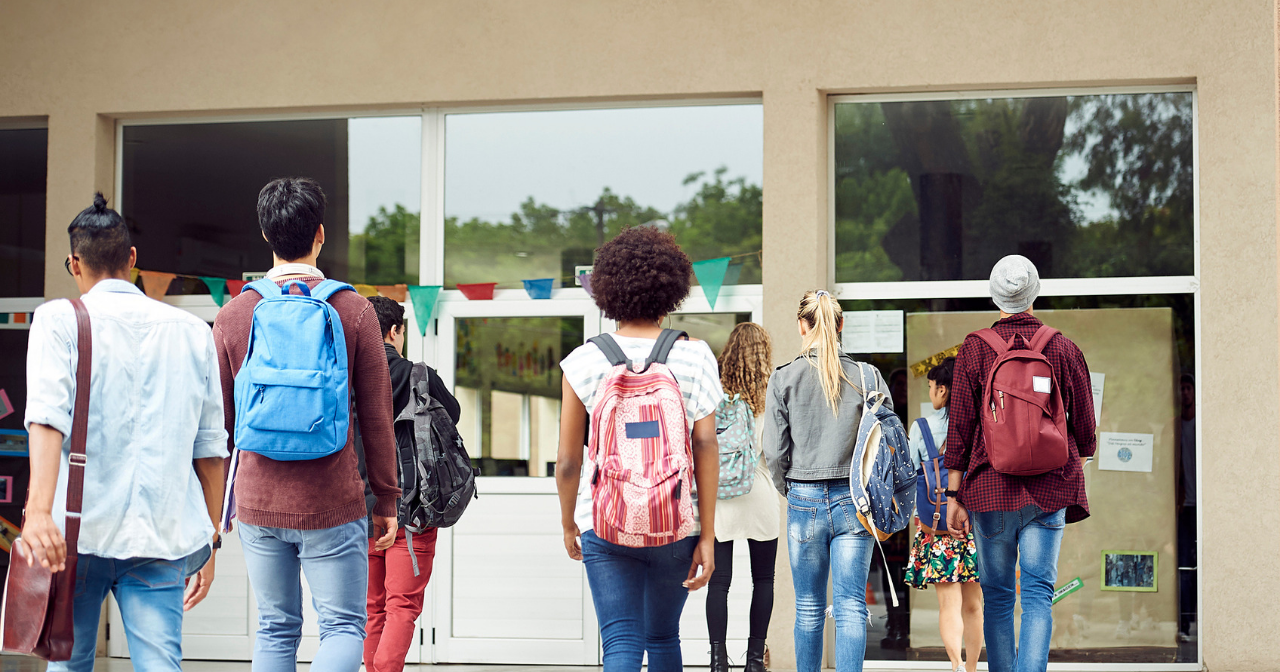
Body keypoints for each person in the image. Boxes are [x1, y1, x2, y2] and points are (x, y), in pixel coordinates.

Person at [21, 194, 228, 672]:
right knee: (160, 665)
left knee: (68, 665)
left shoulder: (58, 320)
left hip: (75, 531)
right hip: (162, 535)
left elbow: (47, 418)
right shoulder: (193, 329)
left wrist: (38, 514)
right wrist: (211, 539)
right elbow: (211, 449)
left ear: (74, 264)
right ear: (133, 260)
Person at [214, 177, 400, 672]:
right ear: (321, 234)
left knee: (275, 630)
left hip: (257, 501)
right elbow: (377, 415)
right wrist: (386, 498)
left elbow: (221, 423)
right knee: (342, 628)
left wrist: (217, 506)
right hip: (332, 501)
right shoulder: (353, 309)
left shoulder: (235, 313)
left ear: (266, 235)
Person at [555, 226, 721, 672]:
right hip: (675, 519)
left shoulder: (583, 361)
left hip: (604, 521)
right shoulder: (696, 356)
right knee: (663, 636)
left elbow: (570, 460)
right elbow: (705, 444)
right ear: (672, 289)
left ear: (607, 291)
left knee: (622, 642)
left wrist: (570, 521)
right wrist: (706, 534)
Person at [944, 255, 1096, 672]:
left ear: (995, 296)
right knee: (1037, 595)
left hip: (989, 491)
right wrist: (1064, 462)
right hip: (1049, 493)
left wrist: (954, 494)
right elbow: (1086, 431)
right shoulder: (1063, 347)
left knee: (996, 598)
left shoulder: (974, 348)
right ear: (1034, 293)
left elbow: (959, 428)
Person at [763, 289, 893, 672]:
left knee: (807, 606)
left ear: (802, 326)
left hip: (804, 498)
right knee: (852, 604)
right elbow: (885, 445)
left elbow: (773, 452)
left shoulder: (784, 377)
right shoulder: (868, 376)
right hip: (857, 501)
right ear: (840, 325)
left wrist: (789, 488)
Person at [360, 295, 460, 672]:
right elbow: (454, 415)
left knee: (373, 608)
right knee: (401, 606)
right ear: (395, 331)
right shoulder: (418, 375)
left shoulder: (344, 376)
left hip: (361, 510)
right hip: (412, 508)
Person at [706, 322, 780, 672]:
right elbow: (778, 453)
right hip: (760, 492)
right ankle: (754, 661)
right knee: (763, 579)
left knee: (719, 582)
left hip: (721, 494)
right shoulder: (772, 394)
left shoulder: (716, 395)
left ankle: (718, 661)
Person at [903, 357, 982, 672]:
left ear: (944, 389)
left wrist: (914, 512)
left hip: (937, 526)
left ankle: (956, 667)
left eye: (932, 386)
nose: (931, 392)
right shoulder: (977, 424)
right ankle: (974, 668)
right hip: (974, 523)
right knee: (974, 606)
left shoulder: (920, 428)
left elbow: (909, 474)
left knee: (949, 606)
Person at [1175, 372, 1196, 641]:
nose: (1185, 393)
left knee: (1197, 564)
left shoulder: (1202, 426)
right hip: (1182, 507)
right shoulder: (1175, 426)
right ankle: (1184, 626)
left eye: (1188, 388)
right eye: (1180, 389)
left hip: (1202, 506)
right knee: (1182, 566)